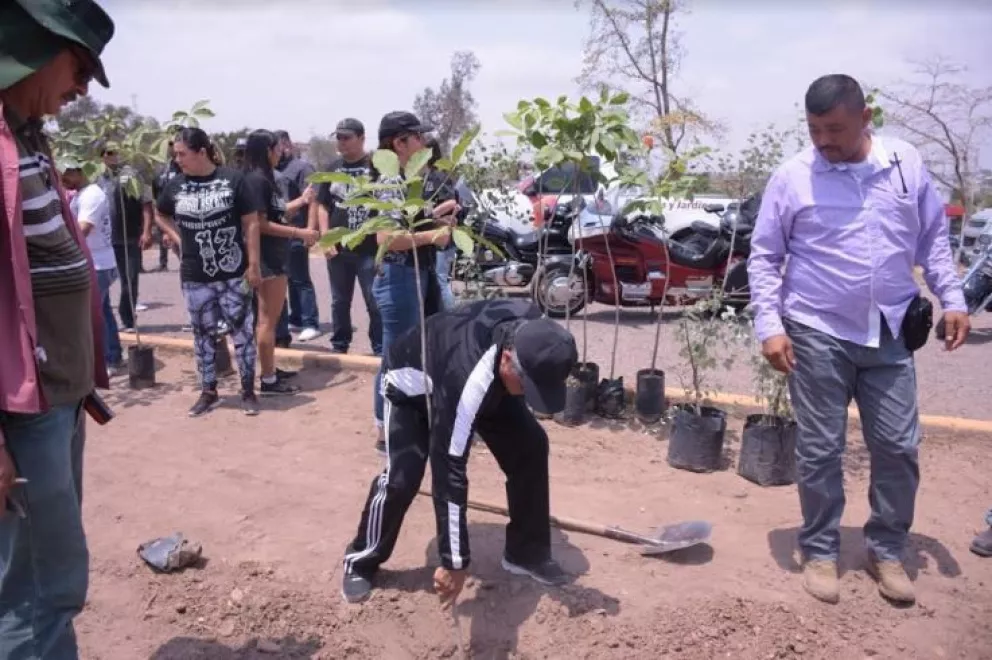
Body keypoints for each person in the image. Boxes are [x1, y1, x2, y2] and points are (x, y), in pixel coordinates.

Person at [748, 74, 969, 606]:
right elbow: (764, 256)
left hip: (890, 331)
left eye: (836, 129)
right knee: (820, 449)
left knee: (897, 445)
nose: (824, 141)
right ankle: (820, 549)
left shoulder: (904, 164)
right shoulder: (793, 176)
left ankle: (886, 548)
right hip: (816, 328)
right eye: (815, 129)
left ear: (866, 116)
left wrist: (954, 298)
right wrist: (770, 326)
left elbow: (933, 238)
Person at [0, 0, 114, 654]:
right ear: (34, 48)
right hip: (25, 407)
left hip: (59, 396)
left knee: (47, 570)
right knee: (40, 578)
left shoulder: (28, 139)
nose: (80, 88)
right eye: (79, 67)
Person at [341, 299, 576, 604]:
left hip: (480, 379)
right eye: (528, 386)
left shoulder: (533, 331)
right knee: (403, 478)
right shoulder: (469, 378)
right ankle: (361, 559)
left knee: (531, 445)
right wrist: (455, 561)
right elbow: (449, 470)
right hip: (411, 389)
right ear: (508, 358)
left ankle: (526, 553)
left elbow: (507, 380)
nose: (532, 397)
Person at [155, 127, 264, 416]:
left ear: (201, 152)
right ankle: (208, 391)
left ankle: (248, 390)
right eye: (175, 154)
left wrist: (253, 265)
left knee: (242, 333)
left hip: (233, 273)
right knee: (202, 335)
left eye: (182, 153)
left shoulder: (232, 180)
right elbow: (160, 212)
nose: (177, 159)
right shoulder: (176, 184)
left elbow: (251, 223)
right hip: (195, 275)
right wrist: (177, 238)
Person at [367, 111, 459, 455]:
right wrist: (433, 235)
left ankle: (400, 422)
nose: (423, 143)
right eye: (417, 137)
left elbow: (409, 224)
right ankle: (384, 430)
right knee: (396, 354)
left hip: (412, 274)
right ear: (399, 143)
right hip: (397, 275)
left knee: (411, 351)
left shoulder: (408, 180)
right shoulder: (389, 183)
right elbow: (385, 238)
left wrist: (435, 215)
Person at [240, 129, 318, 395]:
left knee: (268, 321)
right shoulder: (257, 180)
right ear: (267, 151)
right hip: (266, 259)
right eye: (277, 149)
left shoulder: (264, 179)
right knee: (266, 322)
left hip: (273, 256)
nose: (280, 153)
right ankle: (269, 380)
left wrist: (301, 201)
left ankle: (269, 369)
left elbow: (275, 211)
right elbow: (259, 224)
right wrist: (300, 232)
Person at [315, 118, 383, 357]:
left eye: (347, 137)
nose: (341, 142)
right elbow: (322, 205)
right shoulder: (331, 169)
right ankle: (340, 345)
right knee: (339, 301)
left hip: (369, 249)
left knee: (374, 301)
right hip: (338, 250)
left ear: (362, 138)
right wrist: (326, 238)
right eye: (339, 137)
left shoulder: (376, 167)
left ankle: (379, 348)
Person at [68, 164, 124, 374]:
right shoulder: (82, 193)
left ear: (80, 172)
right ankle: (113, 356)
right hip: (100, 262)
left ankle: (104, 360)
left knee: (92, 315)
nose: (63, 177)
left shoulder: (91, 195)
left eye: (67, 173)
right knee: (104, 311)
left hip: (97, 264)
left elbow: (83, 228)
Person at [97, 142, 154, 330]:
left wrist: (146, 231)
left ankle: (128, 318)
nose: (114, 156)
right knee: (102, 281)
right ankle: (103, 322)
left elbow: (146, 204)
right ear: (102, 156)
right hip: (104, 241)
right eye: (109, 153)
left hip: (129, 238)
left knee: (129, 280)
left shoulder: (131, 175)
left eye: (116, 152)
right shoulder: (96, 178)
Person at [274, 129, 321, 342]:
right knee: (289, 278)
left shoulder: (302, 168)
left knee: (301, 279)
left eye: (280, 146)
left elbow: (313, 200)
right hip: (280, 233)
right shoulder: (274, 169)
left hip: (298, 230)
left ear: (288, 144)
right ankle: (297, 317)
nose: (278, 150)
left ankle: (311, 322)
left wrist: (310, 231)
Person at [151, 137, 183, 271]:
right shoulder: (163, 169)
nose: (172, 146)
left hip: (182, 211)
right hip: (166, 210)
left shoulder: (186, 166)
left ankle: (185, 263)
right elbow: (156, 189)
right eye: (170, 144)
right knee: (166, 238)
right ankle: (163, 263)